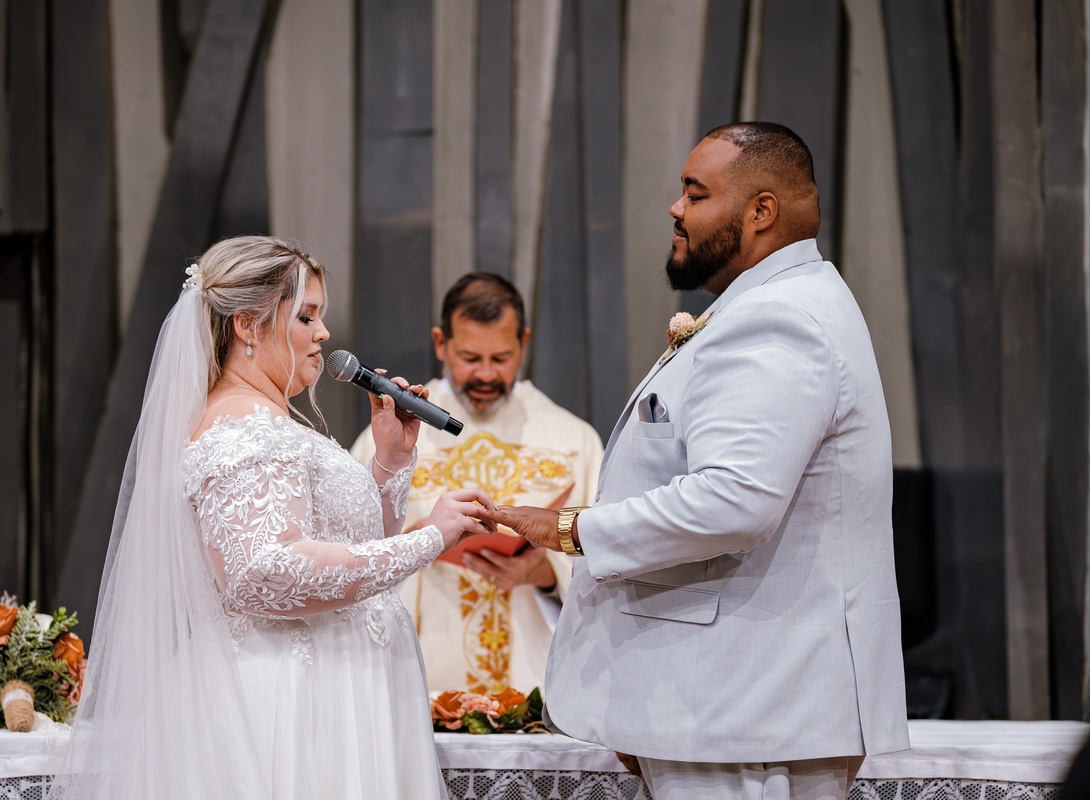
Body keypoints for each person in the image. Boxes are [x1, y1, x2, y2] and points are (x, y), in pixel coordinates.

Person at [482, 123, 910, 800]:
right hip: (740, 707)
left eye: (696, 192)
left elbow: (733, 501)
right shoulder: (785, 304)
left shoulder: (779, 320)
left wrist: (568, 527)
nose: (676, 210)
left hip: (747, 708)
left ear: (760, 212)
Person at [51, 236, 498, 800]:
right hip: (295, 696)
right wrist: (429, 539)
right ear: (248, 325)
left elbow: (350, 551)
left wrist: (390, 459)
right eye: (306, 315)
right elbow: (265, 574)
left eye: (322, 316)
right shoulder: (246, 428)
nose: (324, 334)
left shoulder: (264, 421)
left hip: (340, 684)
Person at [351, 273, 603, 695]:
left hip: (536, 676)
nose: (485, 374)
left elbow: (609, 547)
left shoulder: (573, 441)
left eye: (501, 357)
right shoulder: (395, 430)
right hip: (420, 674)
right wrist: (418, 541)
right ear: (439, 343)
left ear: (524, 342)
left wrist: (546, 572)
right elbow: (348, 547)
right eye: (469, 357)